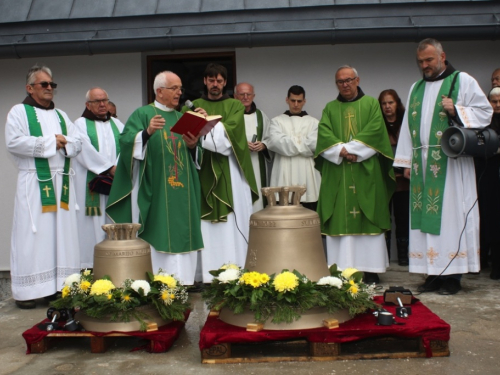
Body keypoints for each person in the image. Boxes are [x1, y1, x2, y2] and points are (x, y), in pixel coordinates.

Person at [394, 38, 493, 294]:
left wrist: (457, 110)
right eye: (420, 62)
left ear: (442, 56)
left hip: (451, 163)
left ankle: (453, 276)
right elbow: (407, 128)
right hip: (422, 165)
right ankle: (433, 274)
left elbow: (485, 113)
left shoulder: (463, 81)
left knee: (451, 219)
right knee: (426, 222)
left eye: (429, 60)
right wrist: (406, 161)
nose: (425, 65)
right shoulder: (415, 87)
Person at [106, 71, 204, 285]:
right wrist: (146, 133)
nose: (179, 92)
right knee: (158, 228)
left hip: (183, 189)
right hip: (158, 187)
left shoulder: (182, 117)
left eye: (180, 88)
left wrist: (193, 145)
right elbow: (125, 143)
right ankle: (160, 282)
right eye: (174, 88)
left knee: (184, 229)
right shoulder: (142, 114)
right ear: (159, 91)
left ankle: (184, 283)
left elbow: (195, 154)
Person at [5, 65, 82, 309]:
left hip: (62, 183)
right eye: (44, 84)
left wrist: (66, 142)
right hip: (35, 184)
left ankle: (56, 286)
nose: (50, 88)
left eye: (52, 85)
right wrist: (52, 142)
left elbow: (78, 141)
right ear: (30, 88)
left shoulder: (60, 116)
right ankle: (28, 291)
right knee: (33, 235)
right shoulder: (19, 112)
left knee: (61, 236)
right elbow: (14, 142)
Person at [315, 65, 395, 284]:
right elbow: (324, 133)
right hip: (338, 172)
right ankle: (341, 270)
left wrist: (353, 152)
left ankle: (370, 270)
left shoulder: (370, 104)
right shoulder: (330, 108)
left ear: (357, 80)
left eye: (349, 80)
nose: (345, 85)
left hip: (366, 171)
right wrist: (341, 151)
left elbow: (376, 130)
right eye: (340, 81)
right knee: (341, 218)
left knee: (368, 216)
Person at [184, 63, 258, 282]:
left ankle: (233, 270)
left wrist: (206, 123)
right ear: (205, 82)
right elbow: (186, 135)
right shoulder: (194, 105)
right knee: (202, 224)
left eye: (219, 80)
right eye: (210, 80)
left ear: (225, 82)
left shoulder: (235, 105)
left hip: (230, 170)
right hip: (201, 168)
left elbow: (230, 138)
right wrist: (193, 136)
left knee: (232, 223)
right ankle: (203, 275)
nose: (214, 84)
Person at [73, 88, 125, 269]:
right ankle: (90, 267)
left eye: (105, 100)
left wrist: (118, 169)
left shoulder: (117, 125)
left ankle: (115, 266)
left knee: (113, 222)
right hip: (90, 187)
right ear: (88, 105)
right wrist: (109, 168)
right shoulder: (79, 124)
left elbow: (127, 146)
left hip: (114, 184)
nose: (102, 104)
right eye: (97, 101)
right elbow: (83, 150)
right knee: (90, 226)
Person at [265, 85, 321, 211]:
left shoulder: (314, 123)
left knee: (308, 213)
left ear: (304, 101)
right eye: (293, 100)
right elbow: (275, 142)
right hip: (283, 172)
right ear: (287, 100)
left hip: (307, 173)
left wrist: (288, 143)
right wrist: (303, 143)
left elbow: (314, 144)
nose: (296, 104)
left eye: (299, 101)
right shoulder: (276, 121)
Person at [378, 89, 410, 266]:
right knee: (384, 219)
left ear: (397, 103)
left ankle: (404, 257)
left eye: (391, 102)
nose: (387, 107)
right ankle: (385, 256)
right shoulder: (378, 123)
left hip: (403, 179)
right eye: (384, 103)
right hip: (384, 178)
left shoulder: (406, 123)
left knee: (403, 217)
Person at [474, 87, 500, 279]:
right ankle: (483, 262)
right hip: (487, 175)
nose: (497, 105)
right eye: (494, 101)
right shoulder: (483, 122)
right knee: (487, 219)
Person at [234, 82, 272, 211]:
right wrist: (242, 145)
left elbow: (271, 137)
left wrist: (264, 145)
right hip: (237, 164)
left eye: (248, 94)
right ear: (235, 96)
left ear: (253, 96)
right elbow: (224, 137)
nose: (245, 97)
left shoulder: (261, 116)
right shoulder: (231, 116)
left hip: (257, 162)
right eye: (241, 94)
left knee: (258, 201)